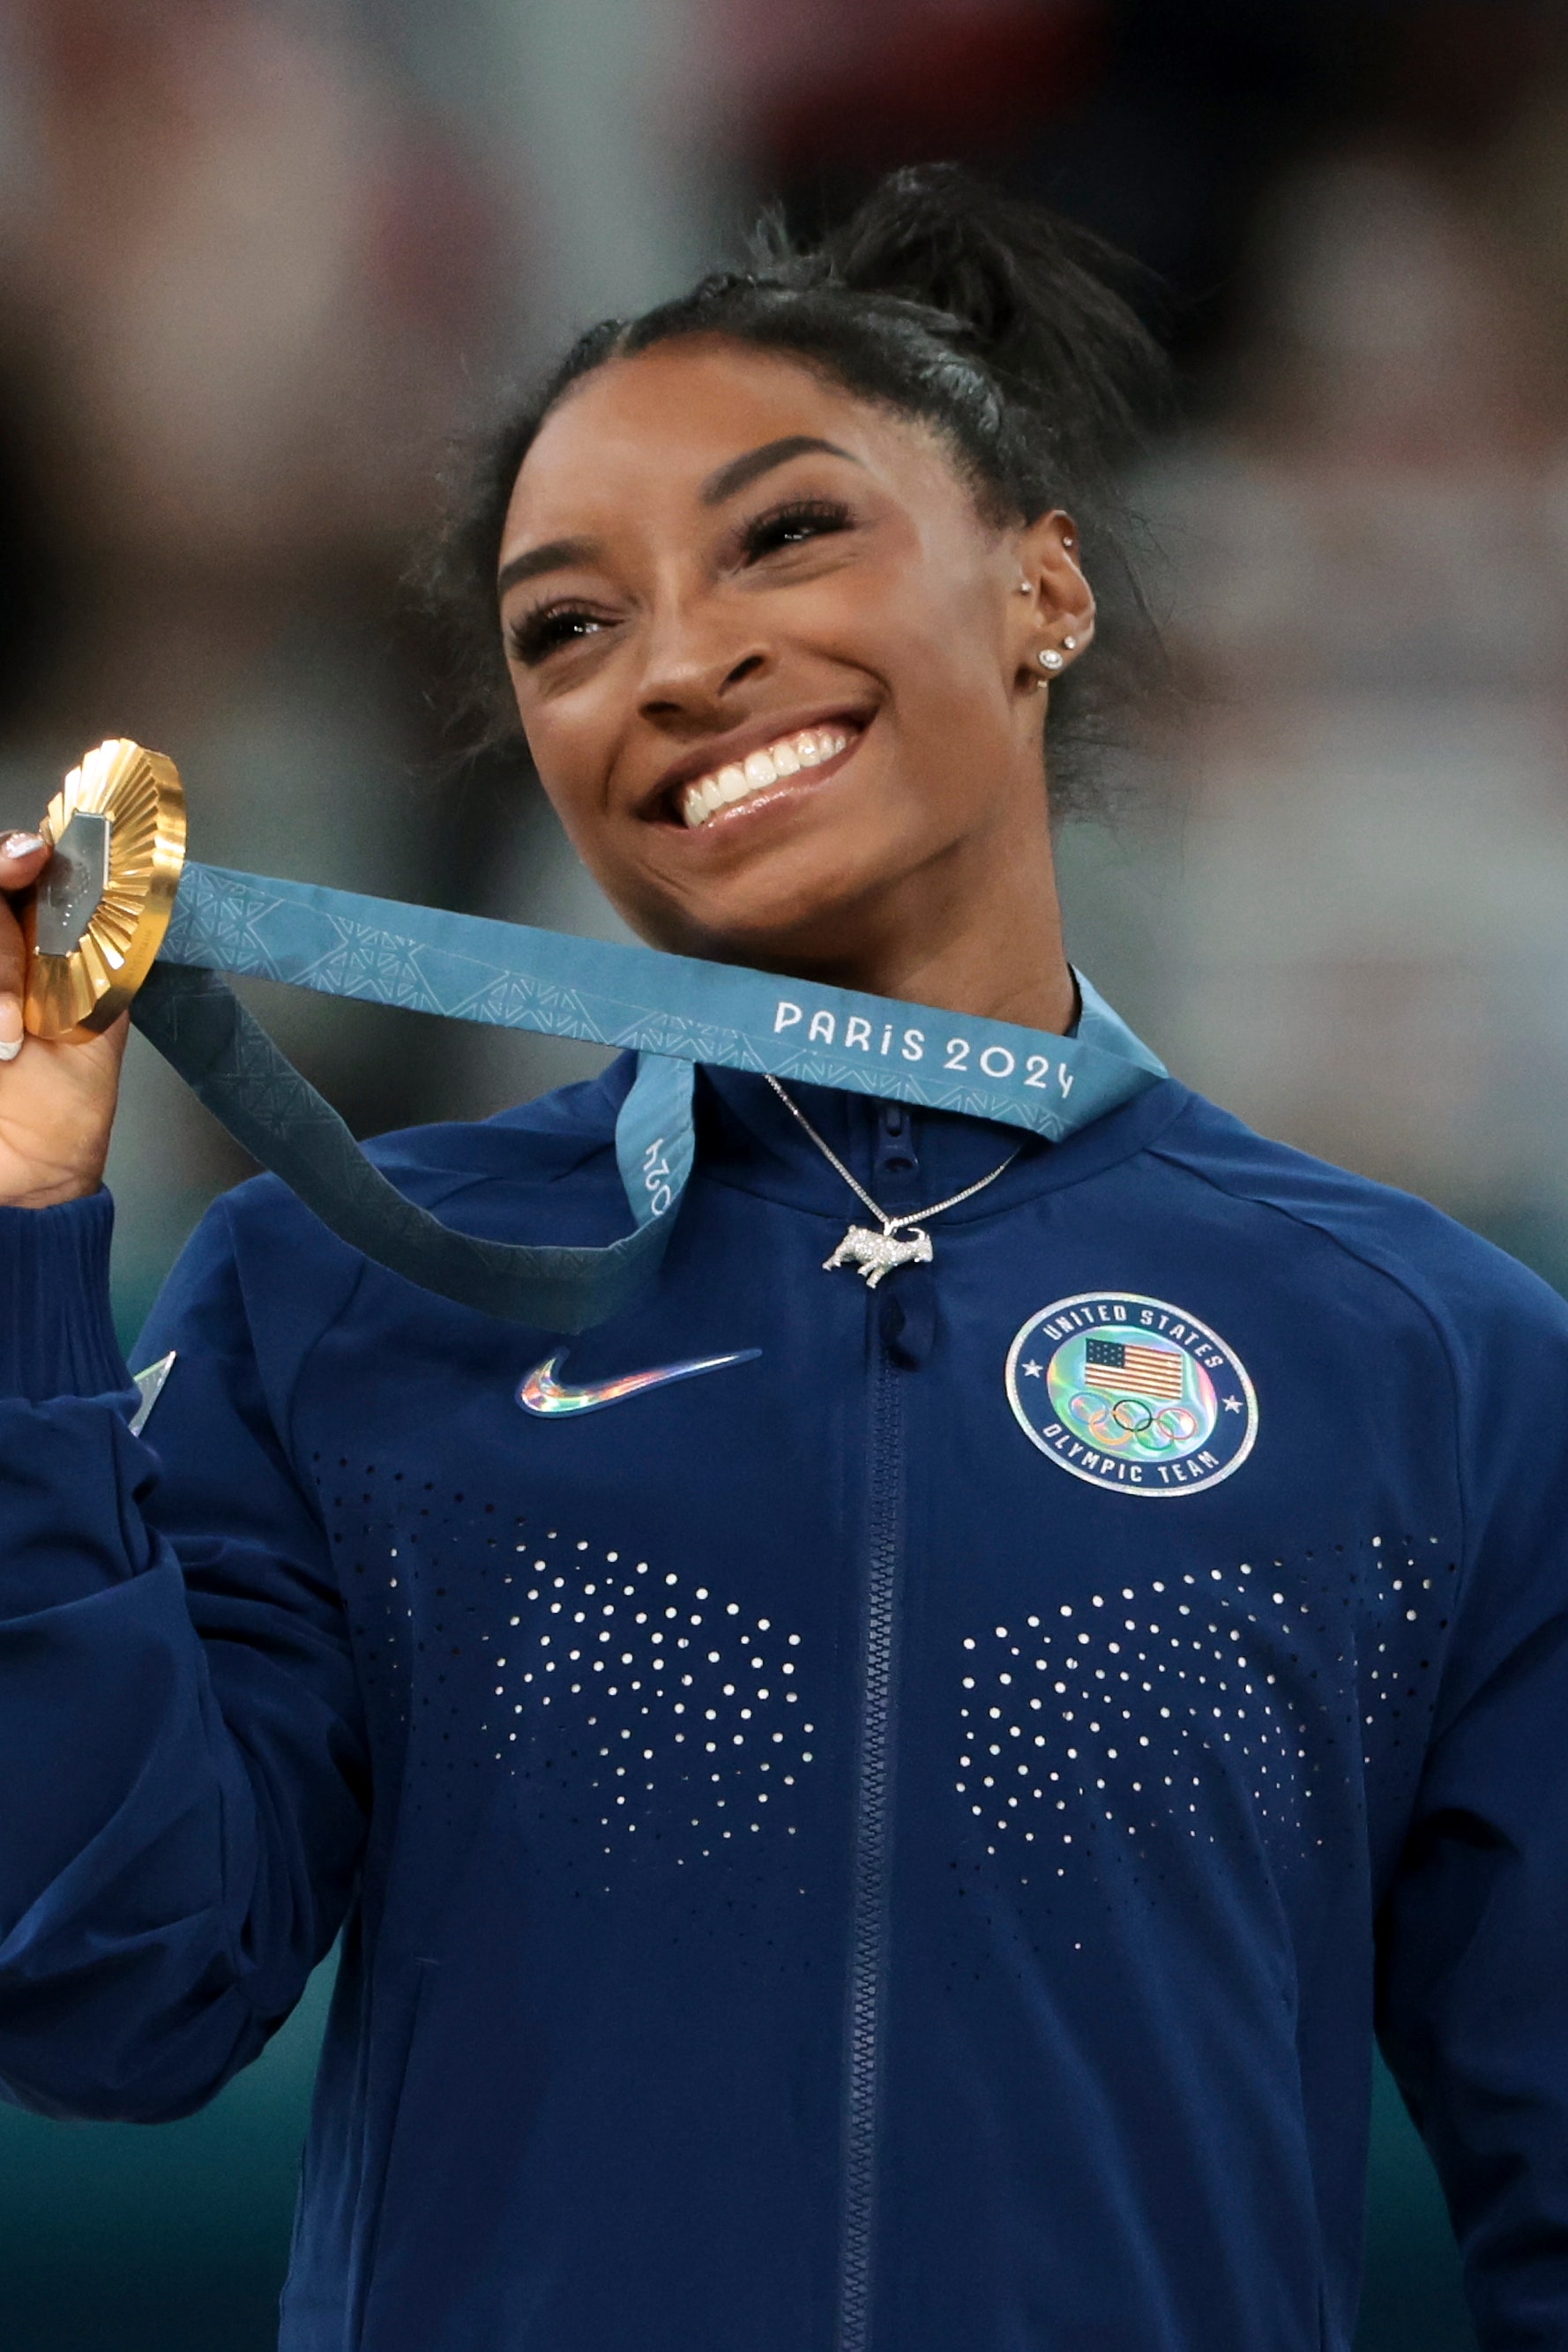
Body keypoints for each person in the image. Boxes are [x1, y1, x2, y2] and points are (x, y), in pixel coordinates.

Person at [0, 163, 1565, 2352]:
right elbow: (102, 1993)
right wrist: (25, 1247)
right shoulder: (344, 1292)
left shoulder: (1434, 1360)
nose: (684, 660)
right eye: (568, 624)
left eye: (786, 532)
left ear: (1046, 587)